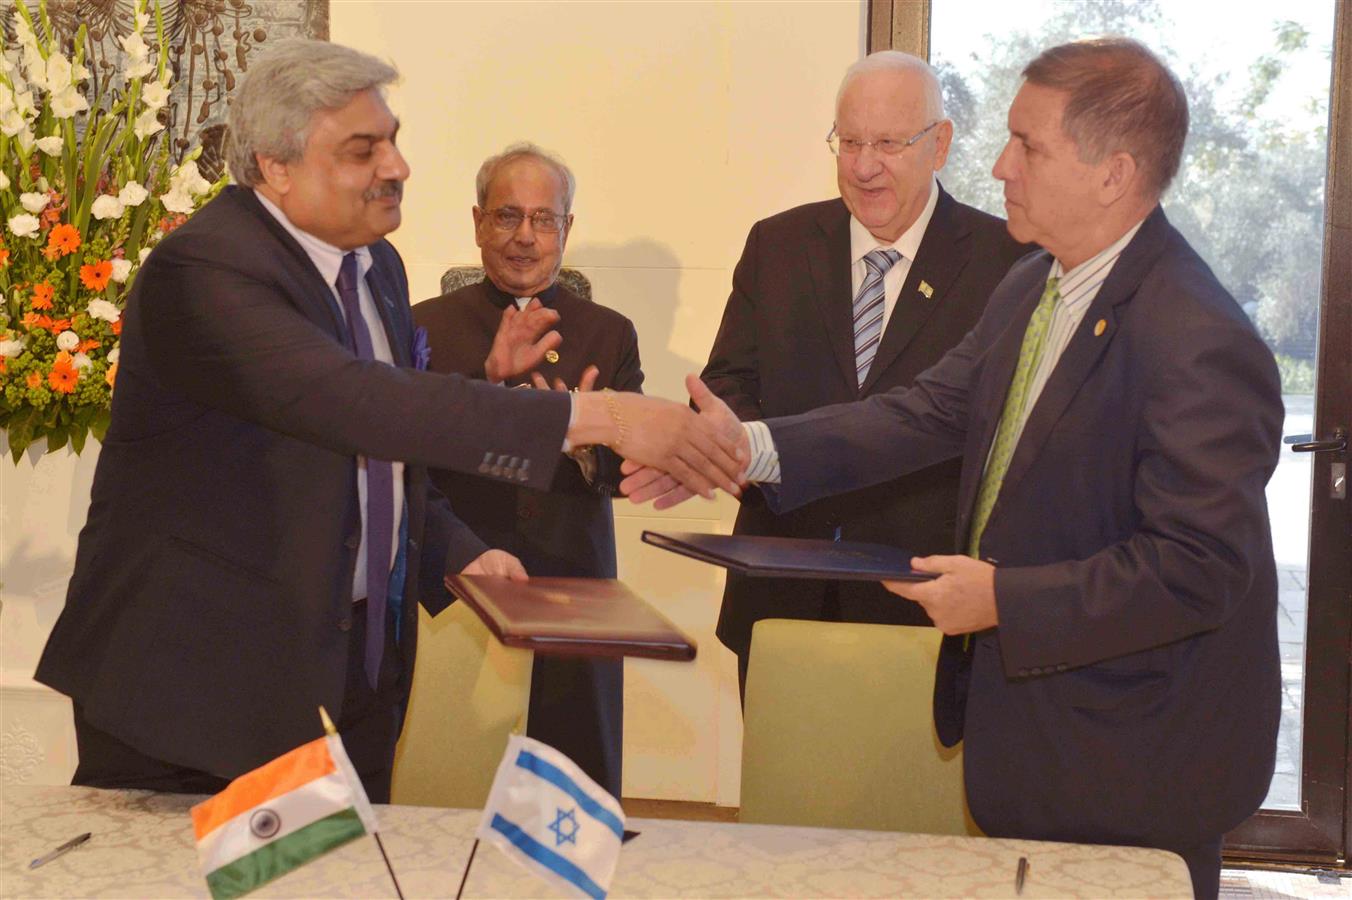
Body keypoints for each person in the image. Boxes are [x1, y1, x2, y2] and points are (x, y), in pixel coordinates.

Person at [628, 38, 1282, 898]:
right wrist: (748, 447)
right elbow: (921, 413)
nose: (1001, 164)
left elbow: (1199, 569)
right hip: (1043, 740)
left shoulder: (1197, 337)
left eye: (1028, 146)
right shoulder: (1036, 288)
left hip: (1133, 757)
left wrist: (1000, 598)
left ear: (1113, 174)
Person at [33, 39, 744, 802]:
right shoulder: (206, 270)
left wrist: (459, 550)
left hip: (350, 678)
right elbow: (354, 403)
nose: (398, 166)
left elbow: (383, 461)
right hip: (200, 694)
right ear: (276, 165)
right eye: (363, 149)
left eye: (394, 140)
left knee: (334, 881)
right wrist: (596, 415)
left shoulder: (377, 267)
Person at [701, 51, 1031, 695]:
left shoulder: (1009, 262)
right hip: (780, 585)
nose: (862, 165)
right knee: (784, 793)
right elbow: (729, 382)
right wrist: (731, 441)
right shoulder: (778, 245)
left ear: (939, 146)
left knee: (910, 796)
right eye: (848, 142)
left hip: (924, 603)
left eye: (886, 143)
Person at [413, 143, 638, 797]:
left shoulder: (609, 333)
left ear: (567, 229)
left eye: (544, 220)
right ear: (479, 222)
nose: (524, 237)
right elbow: (404, 457)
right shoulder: (421, 329)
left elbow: (626, 469)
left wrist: (578, 439)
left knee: (575, 789)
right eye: (508, 216)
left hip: (575, 578)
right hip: (455, 580)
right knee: (449, 783)